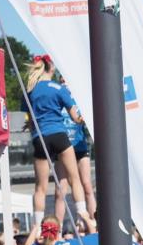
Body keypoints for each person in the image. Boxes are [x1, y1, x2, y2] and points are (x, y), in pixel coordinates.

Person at [24, 55, 92, 233]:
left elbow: (30, 121)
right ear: (51, 68)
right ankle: (83, 213)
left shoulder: (30, 90)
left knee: (40, 187)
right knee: (74, 178)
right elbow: (75, 118)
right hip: (59, 136)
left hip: (40, 138)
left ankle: (38, 226)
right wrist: (83, 119)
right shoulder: (59, 89)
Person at [55, 96, 96, 221]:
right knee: (61, 190)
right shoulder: (57, 96)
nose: (64, 81)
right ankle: (58, 230)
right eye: (61, 78)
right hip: (63, 148)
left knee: (87, 185)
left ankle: (94, 222)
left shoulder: (79, 97)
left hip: (80, 147)